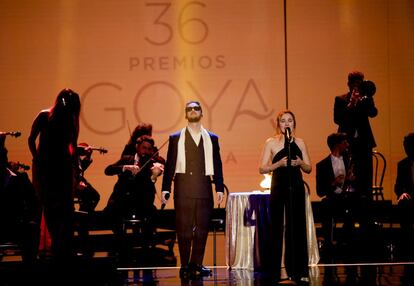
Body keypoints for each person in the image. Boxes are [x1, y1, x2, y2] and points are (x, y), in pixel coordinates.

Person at [161, 101, 224, 279]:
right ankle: (184, 265)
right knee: (184, 229)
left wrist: (219, 187)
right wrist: (166, 188)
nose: (193, 111)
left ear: (202, 113)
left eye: (196, 108)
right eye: (190, 109)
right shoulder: (175, 138)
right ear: (186, 114)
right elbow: (170, 164)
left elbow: (217, 164)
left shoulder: (212, 138)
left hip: (204, 186)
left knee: (202, 229)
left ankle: (196, 264)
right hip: (183, 187)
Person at [28, 88, 81, 261]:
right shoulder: (45, 116)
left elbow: (73, 147)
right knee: (50, 206)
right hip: (47, 167)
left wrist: (76, 167)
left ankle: (63, 246)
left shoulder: (71, 120)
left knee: (66, 208)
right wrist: (37, 159)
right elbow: (31, 139)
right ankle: (56, 246)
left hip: (63, 167)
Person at [259, 110, 312, 283]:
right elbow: (262, 168)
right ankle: (278, 269)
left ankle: (298, 269)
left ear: (294, 124)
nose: (286, 123)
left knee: (296, 225)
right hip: (279, 185)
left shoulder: (300, 142)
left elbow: (308, 168)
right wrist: (278, 164)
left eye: (289, 120)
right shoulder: (271, 142)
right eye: (283, 121)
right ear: (278, 124)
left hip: (295, 185)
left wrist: (300, 163)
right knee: (277, 225)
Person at [104, 135, 164, 259]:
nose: (146, 152)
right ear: (137, 147)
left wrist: (154, 175)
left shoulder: (152, 163)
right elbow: (108, 170)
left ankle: (146, 249)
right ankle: (120, 244)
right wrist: (125, 168)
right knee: (112, 210)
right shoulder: (127, 159)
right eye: (144, 148)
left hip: (140, 202)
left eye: (149, 149)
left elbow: (151, 182)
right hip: (122, 200)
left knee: (152, 213)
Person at [316, 132, 370, 250]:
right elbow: (320, 191)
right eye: (344, 142)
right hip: (333, 198)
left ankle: (355, 242)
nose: (347, 145)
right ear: (336, 145)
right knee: (326, 205)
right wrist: (333, 183)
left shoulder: (351, 161)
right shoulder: (322, 165)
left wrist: (352, 180)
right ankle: (329, 243)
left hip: (349, 196)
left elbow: (360, 181)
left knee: (360, 204)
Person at [334, 71, 378, 200]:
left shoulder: (366, 98)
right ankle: (348, 217)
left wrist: (367, 100)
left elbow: (373, 113)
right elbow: (337, 119)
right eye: (354, 83)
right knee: (347, 177)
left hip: (364, 142)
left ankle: (367, 217)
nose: (357, 87)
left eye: (359, 83)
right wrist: (351, 104)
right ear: (349, 84)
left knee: (366, 178)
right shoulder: (340, 99)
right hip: (346, 143)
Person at [0, 135, 41, 264]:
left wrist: (30, 218)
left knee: (32, 229)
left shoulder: (20, 178)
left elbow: (34, 202)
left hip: (15, 224)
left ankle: (29, 267)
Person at [394, 132, 414, 254]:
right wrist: (402, 193)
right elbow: (398, 186)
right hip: (410, 197)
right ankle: (407, 243)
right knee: (404, 203)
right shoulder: (402, 164)